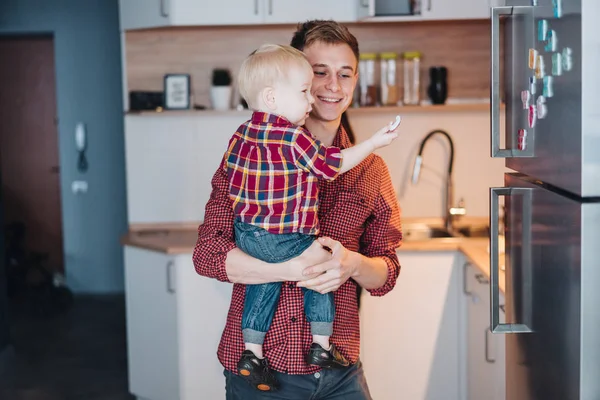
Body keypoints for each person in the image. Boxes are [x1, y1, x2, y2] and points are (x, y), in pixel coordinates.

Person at [193, 20, 403, 400]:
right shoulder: (247, 158)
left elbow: (386, 272)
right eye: (318, 73)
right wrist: (291, 268)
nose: (332, 86)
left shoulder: (371, 170)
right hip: (262, 375)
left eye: (344, 74)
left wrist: (351, 265)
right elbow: (208, 257)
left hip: (340, 375)